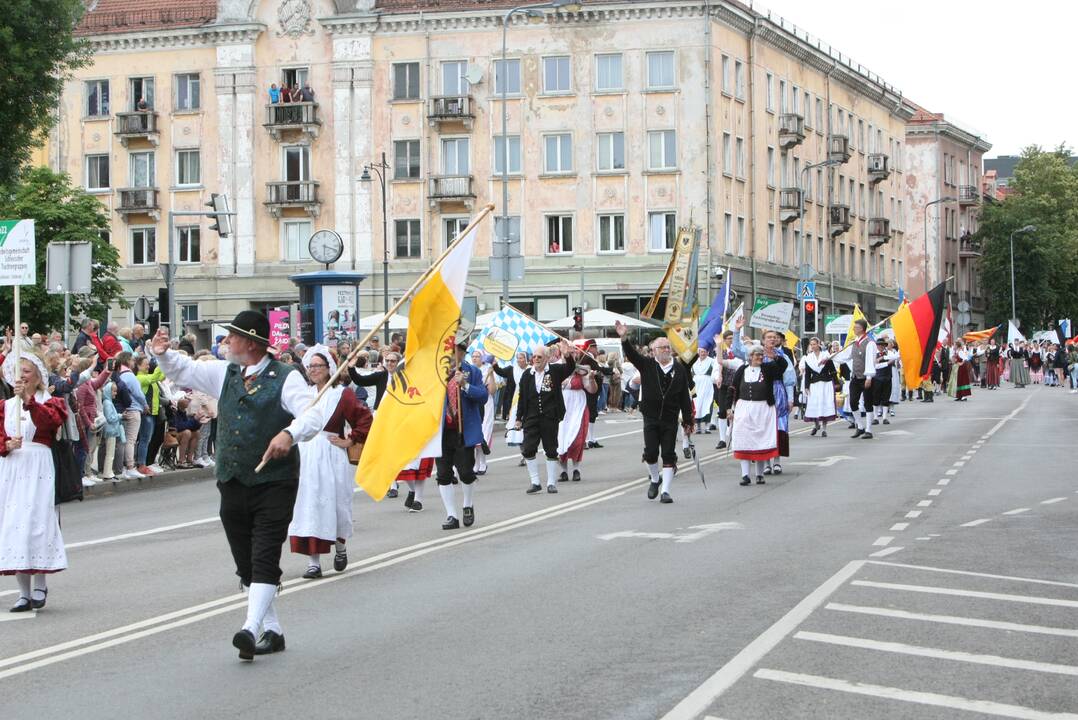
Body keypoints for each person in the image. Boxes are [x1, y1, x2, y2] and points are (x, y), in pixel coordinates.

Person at [149, 311, 326, 661]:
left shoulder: (286, 377)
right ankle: (272, 629)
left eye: (232, 336)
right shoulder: (224, 372)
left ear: (251, 341)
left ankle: (249, 627)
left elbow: (313, 413)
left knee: (264, 554)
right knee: (244, 559)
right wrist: (163, 353)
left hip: (274, 480)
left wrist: (289, 433)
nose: (226, 342)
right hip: (232, 478)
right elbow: (185, 370)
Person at [289, 345, 372, 579]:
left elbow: (364, 418)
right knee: (308, 505)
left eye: (318, 366)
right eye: (310, 366)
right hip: (305, 453)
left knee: (334, 504)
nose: (313, 370)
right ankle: (313, 562)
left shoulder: (341, 394)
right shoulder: (303, 394)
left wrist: (351, 440)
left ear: (329, 368)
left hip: (330, 453)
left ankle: (340, 544)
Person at [0, 351, 70, 611]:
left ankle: (40, 584)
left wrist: (29, 400)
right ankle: (22, 592)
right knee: (14, 526)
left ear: (38, 375)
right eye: (18, 372)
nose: (22, 376)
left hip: (39, 466)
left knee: (35, 523)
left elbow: (49, 423)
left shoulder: (51, 401)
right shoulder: (5, 406)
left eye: (27, 371)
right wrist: (6, 443)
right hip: (12, 468)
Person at [614, 321, 693, 504]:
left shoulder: (679, 369)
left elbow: (684, 396)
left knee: (668, 453)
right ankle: (655, 479)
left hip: (670, 418)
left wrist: (688, 420)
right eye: (661, 347)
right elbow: (632, 354)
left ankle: (665, 491)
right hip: (650, 417)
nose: (665, 350)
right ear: (654, 351)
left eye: (667, 347)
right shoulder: (647, 365)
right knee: (650, 453)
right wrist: (624, 337)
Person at [435, 341, 488, 530]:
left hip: (463, 430)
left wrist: (464, 385)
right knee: (443, 474)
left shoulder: (473, 372)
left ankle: (467, 504)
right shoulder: (437, 371)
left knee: (466, 472)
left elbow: (483, 396)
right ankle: (451, 515)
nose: (454, 352)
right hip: (441, 432)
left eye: (458, 349)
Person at [515, 341, 576, 494]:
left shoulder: (554, 371)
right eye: (534, 356)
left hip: (550, 417)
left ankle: (551, 482)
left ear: (547, 358)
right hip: (531, 417)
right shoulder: (527, 375)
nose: (536, 359)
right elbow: (522, 398)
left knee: (550, 449)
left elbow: (570, 368)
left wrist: (567, 355)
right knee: (528, 449)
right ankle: (535, 482)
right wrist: (518, 418)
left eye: (540, 356)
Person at [728, 343, 788, 485]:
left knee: (760, 441)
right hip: (744, 408)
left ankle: (760, 474)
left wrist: (776, 357)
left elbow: (782, 368)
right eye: (757, 355)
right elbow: (732, 388)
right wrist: (728, 408)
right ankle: (745, 475)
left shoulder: (767, 369)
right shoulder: (742, 370)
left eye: (761, 355)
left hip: (763, 409)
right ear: (750, 357)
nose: (760, 357)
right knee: (744, 440)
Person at [557, 357, 596, 483]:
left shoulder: (581, 372)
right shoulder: (558, 372)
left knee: (577, 440)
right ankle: (563, 471)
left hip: (578, 408)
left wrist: (591, 379)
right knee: (561, 439)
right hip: (563, 408)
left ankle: (576, 469)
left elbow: (592, 390)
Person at [844, 319, 878, 440]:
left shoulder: (870, 343)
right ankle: (860, 426)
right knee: (853, 402)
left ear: (862, 329)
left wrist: (869, 377)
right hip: (855, 377)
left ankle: (868, 429)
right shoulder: (854, 343)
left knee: (868, 403)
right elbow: (845, 356)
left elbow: (870, 361)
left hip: (866, 377)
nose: (854, 329)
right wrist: (829, 358)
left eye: (856, 327)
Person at [799, 337, 838, 437]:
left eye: (814, 344)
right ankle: (816, 425)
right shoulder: (809, 358)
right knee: (815, 405)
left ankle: (824, 429)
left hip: (826, 383)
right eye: (811, 344)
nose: (813, 346)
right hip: (814, 384)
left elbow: (832, 370)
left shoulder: (826, 356)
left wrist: (837, 382)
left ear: (819, 344)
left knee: (824, 406)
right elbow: (807, 374)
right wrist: (806, 386)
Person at [471, 351, 498, 476]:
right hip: (474, 405)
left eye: (477, 356)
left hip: (486, 404)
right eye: (473, 356)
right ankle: (477, 463)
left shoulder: (487, 370)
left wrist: (491, 375)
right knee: (475, 434)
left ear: (482, 358)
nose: (475, 358)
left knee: (484, 433)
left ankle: (482, 462)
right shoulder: (469, 371)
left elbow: (492, 391)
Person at [690, 347, 717, 434]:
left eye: (704, 352)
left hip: (707, 386)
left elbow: (716, 371)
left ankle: (707, 427)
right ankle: (698, 427)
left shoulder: (712, 361)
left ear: (708, 352)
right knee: (697, 405)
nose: (703, 353)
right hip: (696, 386)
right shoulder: (695, 362)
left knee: (707, 404)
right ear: (699, 352)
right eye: (701, 352)